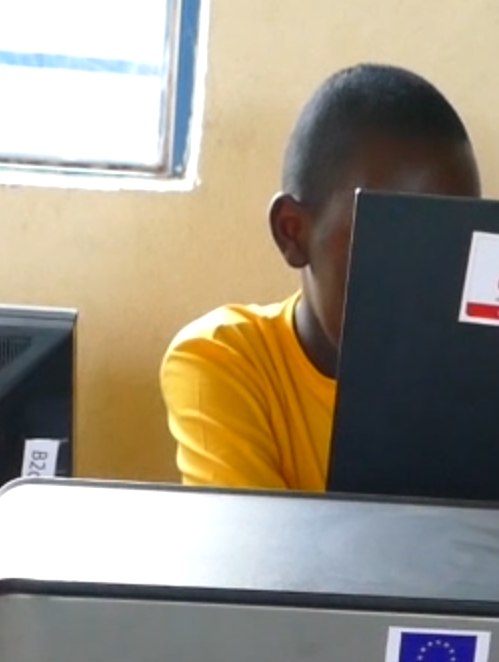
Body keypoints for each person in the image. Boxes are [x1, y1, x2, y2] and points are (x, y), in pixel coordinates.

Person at [160, 63, 482, 492]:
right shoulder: (226, 359)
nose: (425, 279)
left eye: (452, 241)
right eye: (387, 238)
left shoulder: (479, 375)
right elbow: (257, 537)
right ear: (292, 232)